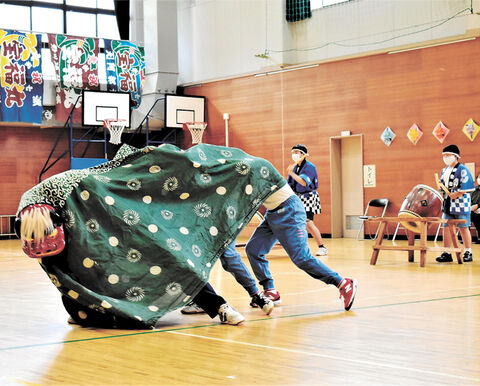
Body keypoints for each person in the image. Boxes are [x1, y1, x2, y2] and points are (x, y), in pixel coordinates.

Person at [16, 143, 288, 328]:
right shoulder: (36, 218)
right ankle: (221, 306)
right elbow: (58, 269)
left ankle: (220, 305)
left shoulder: (79, 192)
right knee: (158, 257)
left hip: (109, 210)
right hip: (90, 217)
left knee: (165, 254)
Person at [245, 168, 357, 310]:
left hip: (290, 210)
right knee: (253, 249)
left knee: (301, 258)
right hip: (272, 213)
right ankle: (270, 290)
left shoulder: (251, 172)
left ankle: (343, 283)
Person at [181, 240, 274, 315]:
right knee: (190, 258)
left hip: (219, 221)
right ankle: (204, 301)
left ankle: (256, 294)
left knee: (228, 255)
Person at [435, 144, 475, 263]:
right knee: (446, 227)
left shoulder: (463, 169)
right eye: (444, 155)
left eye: (448, 155)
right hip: (448, 203)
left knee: (463, 227)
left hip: (461, 203)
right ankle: (446, 252)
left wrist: (456, 194)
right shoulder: (444, 170)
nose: (445, 157)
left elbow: (466, 186)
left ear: (456, 156)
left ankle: (468, 251)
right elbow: (443, 186)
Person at [287, 144, 327, 256]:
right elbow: (289, 183)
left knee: (308, 223)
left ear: (303, 154)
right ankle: (297, 247)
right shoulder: (294, 167)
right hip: (297, 197)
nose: (294, 154)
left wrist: (291, 173)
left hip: (308, 197)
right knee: (292, 221)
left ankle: (322, 247)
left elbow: (304, 182)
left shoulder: (310, 167)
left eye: (297, 152)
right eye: (293, 152)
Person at [470, 173, 480, 244]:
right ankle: (466, 238)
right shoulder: (473, 190)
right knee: (465, 217)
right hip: (472, 210)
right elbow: (469, 200)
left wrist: (478, 206)